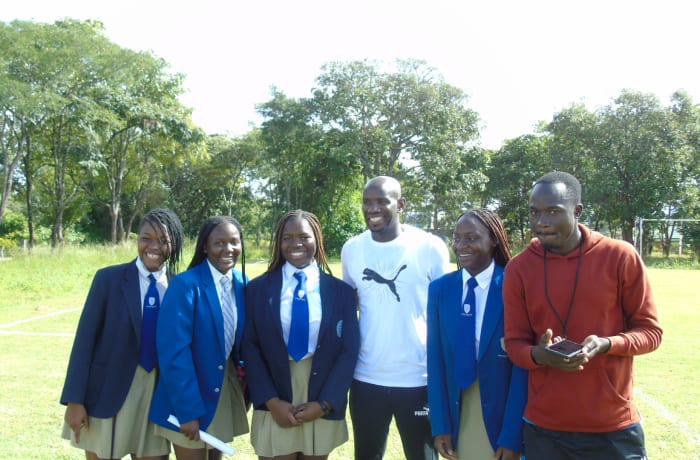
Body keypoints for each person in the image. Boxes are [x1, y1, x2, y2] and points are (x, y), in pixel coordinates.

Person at [503, 171, 663, 459]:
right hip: (545, 429)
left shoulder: (620, 256)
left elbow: (651, 333)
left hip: (612, 427)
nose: (541, 222)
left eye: (553, 212)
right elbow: (514, 343)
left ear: (577, 211)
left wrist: (607, 344)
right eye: (534, 213)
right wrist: (540, 355)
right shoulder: (519, 268)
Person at [60, 208, 185, 460]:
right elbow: (85, 341)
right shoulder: (109, 279)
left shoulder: (180, 286)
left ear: (175, 243)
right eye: (146, 238)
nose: (153, 246)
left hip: (155, 396)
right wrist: (74, 400)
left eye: (163, 240)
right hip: (107, 392)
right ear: (136, 239)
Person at [341, 176, 451, 460]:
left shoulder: (429, 246)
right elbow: (351, 306)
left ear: (401, 204)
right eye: (367, 202)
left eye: (381, 201)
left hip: (418, 378)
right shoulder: (352, 249)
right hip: (366, 379)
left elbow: (445, 313)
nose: (372, 208)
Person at [242, 209, 360, 460]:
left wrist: (325, 403)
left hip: (320, 392)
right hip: (273, 391)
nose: (296, 243)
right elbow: (250, 348)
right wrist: (272, 402)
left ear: (317, 239)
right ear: (278, 242)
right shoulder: (258, 289)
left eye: (304, 237)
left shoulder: (341, 292)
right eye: (287, 237)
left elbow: (349, 351)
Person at [427, 209, 527, 460]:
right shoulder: (440, 289)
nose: (461, 245)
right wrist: (440, 426)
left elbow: (522, 370)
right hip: (458, 407)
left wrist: (512, 435)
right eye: (457, 237)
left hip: (502, 412)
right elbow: (435, 361)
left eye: (471, 238)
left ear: (493, 239)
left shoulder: (513, 285)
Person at [149, 216, 249, 460]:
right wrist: (187, 411)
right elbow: (174, 353)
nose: (228, 249)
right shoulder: (186, 285)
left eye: (234, 242)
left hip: (221, 392)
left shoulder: (242, 283)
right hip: (187, 395)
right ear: (205, 246)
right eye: (219, 243)